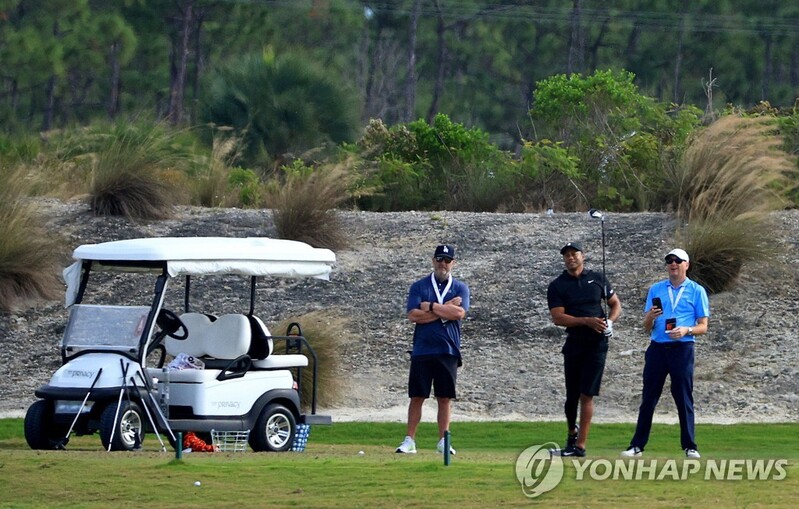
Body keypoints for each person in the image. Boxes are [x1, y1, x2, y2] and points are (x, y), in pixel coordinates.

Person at [621, 248, 709, 459]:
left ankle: (690, 446)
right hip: (658, 348)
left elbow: (703, 326)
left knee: (683, 397)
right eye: (670, 261)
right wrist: (650, 315)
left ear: (686, 265)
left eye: (678, 261)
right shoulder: (657, 289)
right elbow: (646, 326)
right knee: (649, 398)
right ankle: (637, 446)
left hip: (682, 348)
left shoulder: (697, 291)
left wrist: (686, 330)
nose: (673, 264)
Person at [547, 242, 621, 457]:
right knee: (571, 396)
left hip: (597, 344)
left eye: (574, 254)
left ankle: (580, 446)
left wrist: (611, 323)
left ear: (582, 256)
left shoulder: (597, 278)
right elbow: (558, 318)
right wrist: (587, 321)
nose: (571, 258)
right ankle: (572, 432)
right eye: (567, 255)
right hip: (574, 342)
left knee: (587, 394)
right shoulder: (558, 285)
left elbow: (615, 304)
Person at [396, 244, 470, 455]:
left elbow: (458, 314)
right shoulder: (419, 286)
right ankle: (409, 440)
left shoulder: (460, 288)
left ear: (453, 263)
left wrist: (431, 306)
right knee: (417, 396)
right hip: (422, 349)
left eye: (447, 260)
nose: (443, 264)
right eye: (439, 259)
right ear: (433, 260)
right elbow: (413, 316)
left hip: (448, 349)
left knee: (444, 397)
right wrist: (445, 308)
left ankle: (443, 441)